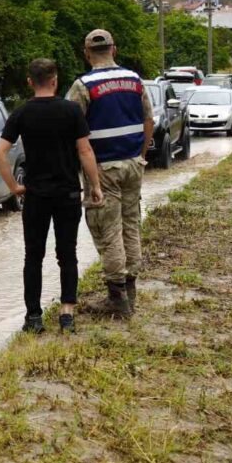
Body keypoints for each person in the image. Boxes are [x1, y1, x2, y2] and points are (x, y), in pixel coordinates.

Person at [0, 58, 102, 335]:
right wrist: (96, 186)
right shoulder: (72, 111)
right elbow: (85, 152)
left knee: (33, 256)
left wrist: (13, 187)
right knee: (67, 254)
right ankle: (67, 313)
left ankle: (34, 317)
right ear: (55, 80)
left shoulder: (20, 114)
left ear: (30, 82)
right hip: (67, 193)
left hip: (36, 196)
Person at [66, 29, 154, 320]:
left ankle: (117, 299)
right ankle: (130, 291)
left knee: (108, 229)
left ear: (87, 52)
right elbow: (148, 119)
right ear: (114, 50)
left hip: (103, 168)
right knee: (131, 224)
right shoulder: (134, 80)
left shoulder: (83, 85)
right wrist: (141, 155)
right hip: (132, 164)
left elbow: (71, 127)